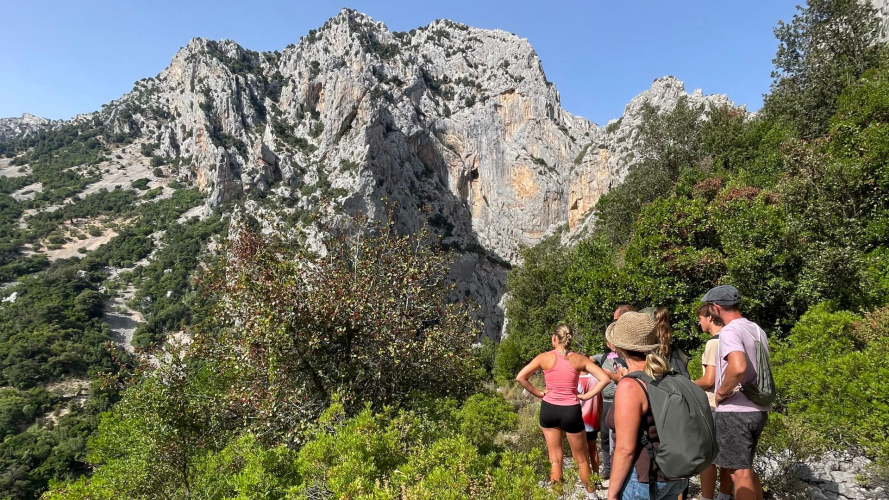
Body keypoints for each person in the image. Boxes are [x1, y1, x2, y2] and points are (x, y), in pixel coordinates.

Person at [516, 324, 611, 496]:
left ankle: (558, 496)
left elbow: (521, 377)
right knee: (581, 459)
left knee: (555, 458)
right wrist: (586, 396)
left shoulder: (544, 357)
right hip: (571, 410)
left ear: (554, 338)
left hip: (549, 409)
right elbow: (604, 379)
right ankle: (592, 496)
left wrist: (539, 393)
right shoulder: (579, 359)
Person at [605, 312, 689, 500]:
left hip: (644, 477)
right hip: (673, 474)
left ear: (620, 347)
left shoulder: (630, 386)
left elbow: (626, 450)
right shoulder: (666, 375)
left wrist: (611, 493)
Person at [703, 285, 770, 500]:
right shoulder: (756, 329)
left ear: (716, 307)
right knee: (746, 470)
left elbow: (738, 367)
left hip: (736, 412)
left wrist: (721, 392)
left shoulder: (730, 331)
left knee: (738, 474)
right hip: (758, 409)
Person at [692, 304, 732, 500]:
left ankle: (707, 497)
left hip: (713, 406)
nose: (699, 322)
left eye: (700, 318)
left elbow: (709, 380)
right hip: (731, 406)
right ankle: (724, 496)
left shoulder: (713, 343)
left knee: (708, 458)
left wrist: (687, 384)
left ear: (709, 318)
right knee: (728, 458)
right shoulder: (732, 338)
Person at [579, 368, 604, 477]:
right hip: (592, 420)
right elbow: (600, 402)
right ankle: (596, 477)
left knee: (581, 453)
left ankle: (586, 479)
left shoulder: (574, 380)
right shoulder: (596, 380)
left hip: (577, 420)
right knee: (593, 449)